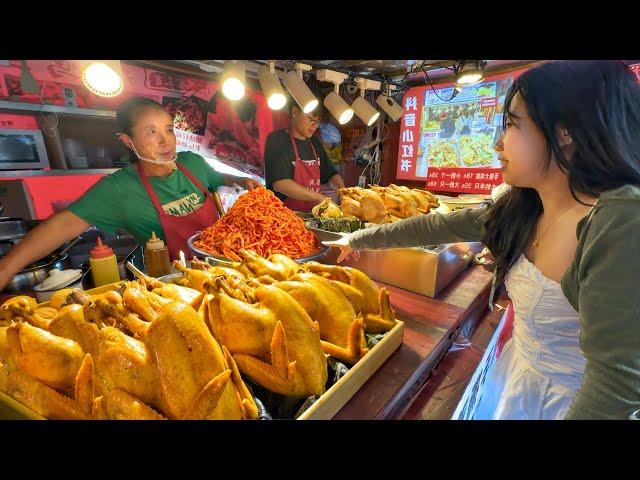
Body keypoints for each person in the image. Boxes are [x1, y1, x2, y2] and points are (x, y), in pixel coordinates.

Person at [325, 60, 640, 420]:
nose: (497, 143)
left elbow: (617, 385)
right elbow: (435, 228)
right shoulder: (526, 206)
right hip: (515, 375)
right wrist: (358, 238)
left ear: (564, 131)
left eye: (511, 125)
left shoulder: (619, 220)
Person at [0, 96, 261, 288]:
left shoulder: (192, 163)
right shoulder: (119, 189)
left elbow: (220, 178)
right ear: (128, 140)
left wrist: (241, 179)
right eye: (151, 132)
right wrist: (5, 269)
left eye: (169, 129)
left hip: (231, 274)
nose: (165, 141)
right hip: (179, 289)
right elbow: (62, 225)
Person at [264, 100, 345, 211]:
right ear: (295, 112)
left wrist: (343, 191)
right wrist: (319, 198)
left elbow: (330, 174)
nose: (315, 125)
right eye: (311, 119)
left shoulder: (315, 143)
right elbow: (280, 183)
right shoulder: (277, 140)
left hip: (311, 217)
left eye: (318, 121)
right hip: (283, 218)